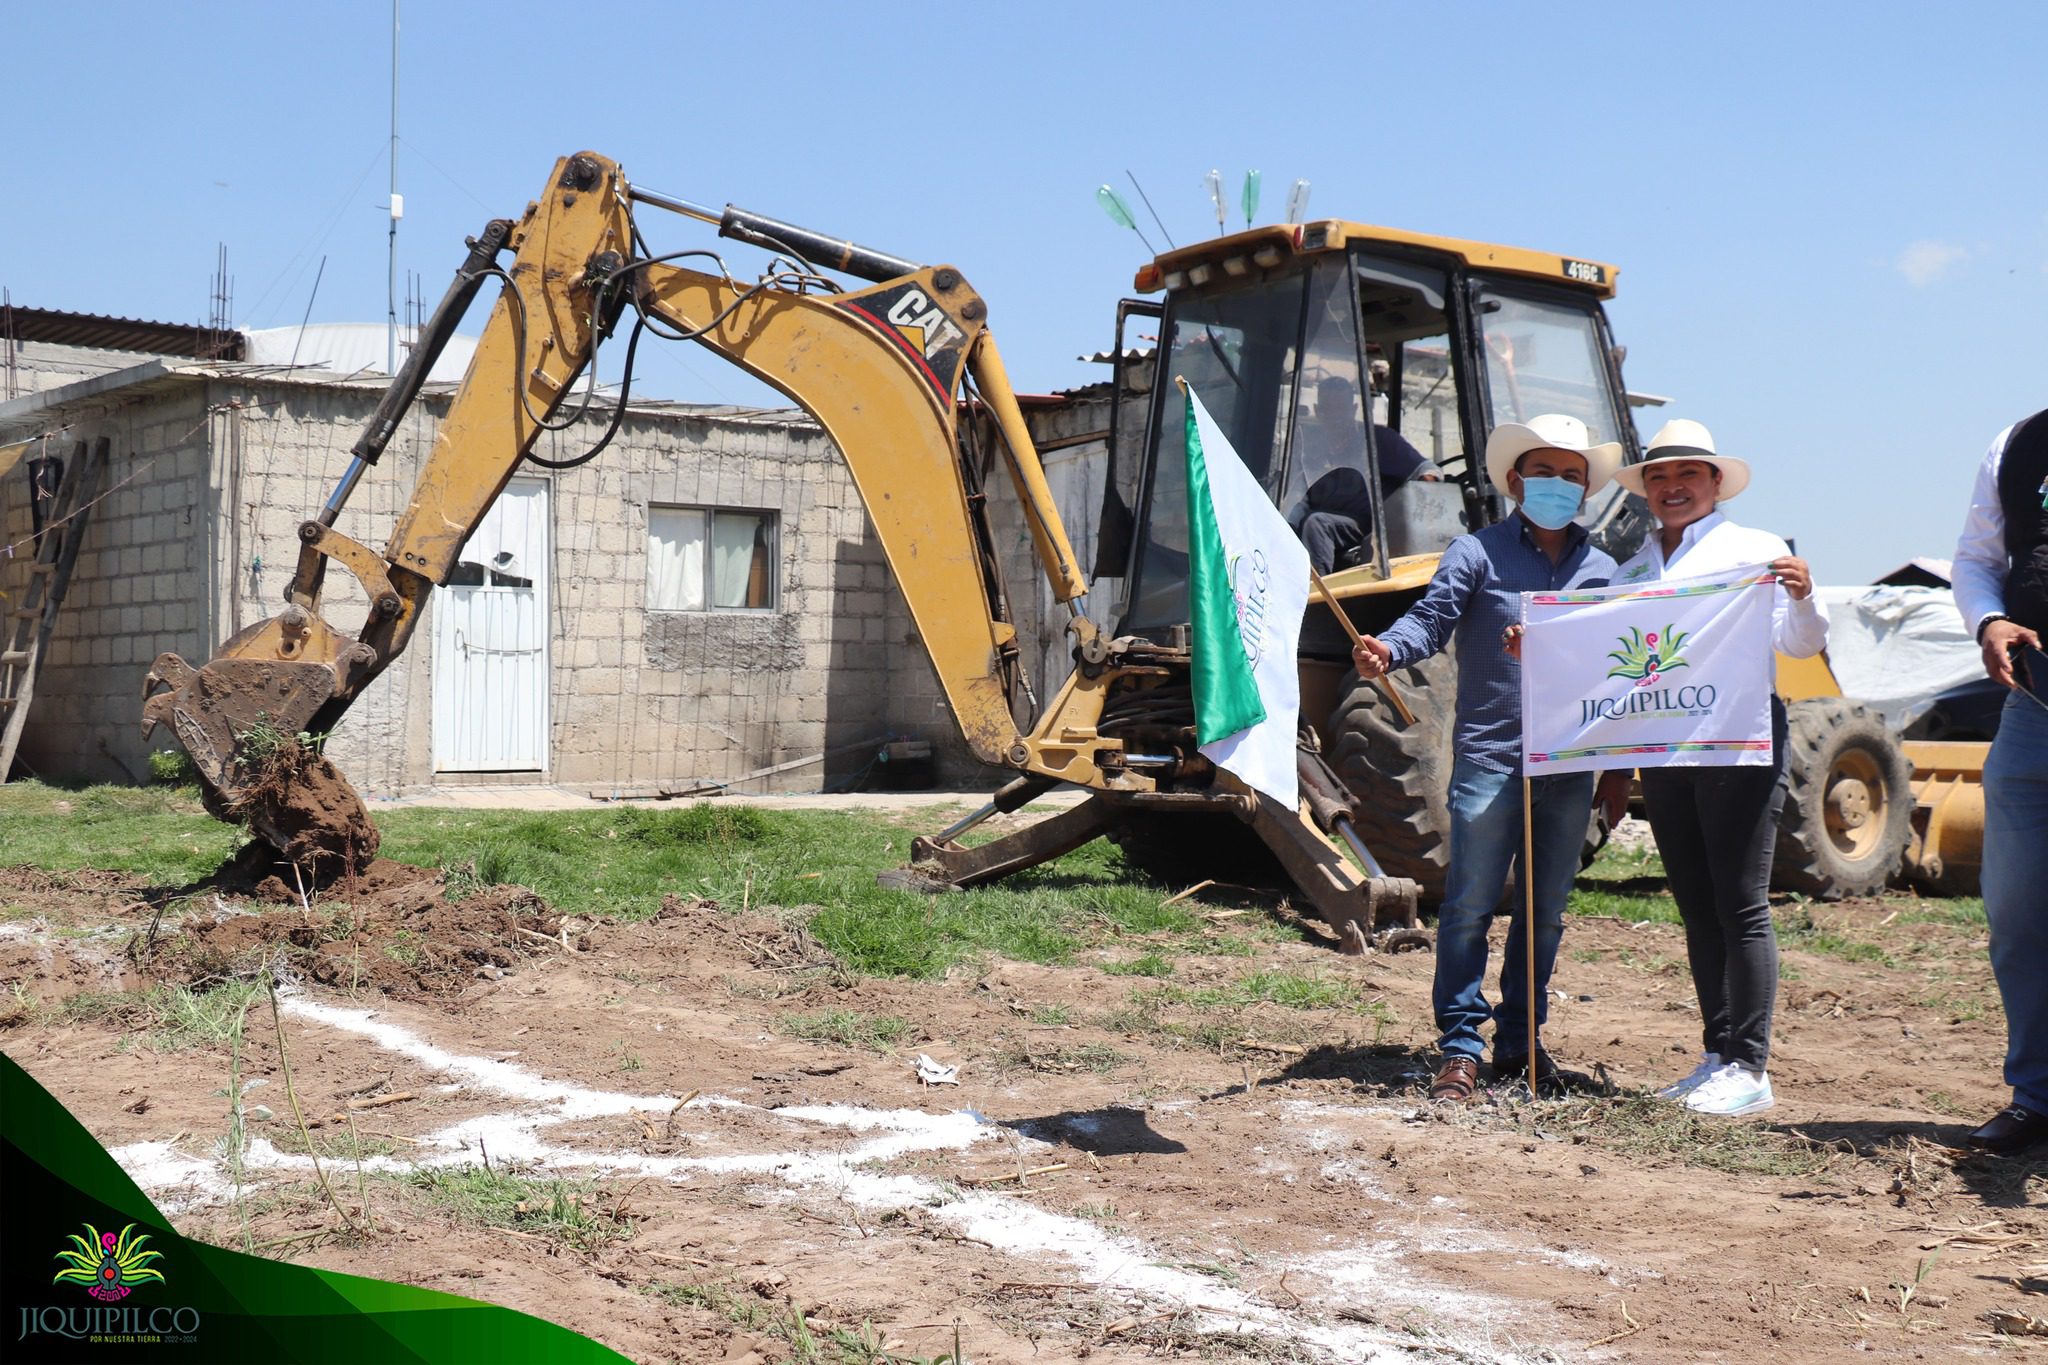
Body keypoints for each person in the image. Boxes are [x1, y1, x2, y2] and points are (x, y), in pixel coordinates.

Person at [1352, 413, 1625, 1103]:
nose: (1557, 485)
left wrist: (1622, 765)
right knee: (1470, 905)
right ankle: (1462, 1047)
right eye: (1543, 473)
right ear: (1513, 481)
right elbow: (1431, 617)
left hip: (1567, 766)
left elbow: (1623, 670)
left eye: (1571, 475)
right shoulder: (1473, 553)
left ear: (1587, 488)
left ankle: (1520, 1041)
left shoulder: (1606, 572)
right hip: (1490, 759)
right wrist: (1390, 647)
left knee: (1546, 912)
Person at [1605, 419, 1826, 1118]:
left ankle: (1749, 1064)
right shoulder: (1632, 568)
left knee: (1740, 900)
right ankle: (1716, 1053)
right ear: (1644, 490)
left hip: (1739, 737)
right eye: (1659, 478)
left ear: (1715, 483)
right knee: (1697, 903)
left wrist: (1801, 594)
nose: (1672, 488)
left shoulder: (1754, 549)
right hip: (1668, 743)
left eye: (1687, 476)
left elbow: (1798, 642)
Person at [1951, 406, 2048, 1154]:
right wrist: (1988, 619)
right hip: (2033, 707)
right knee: (2016, 908)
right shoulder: (2021, 442)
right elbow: (1979, 559)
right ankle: (2037, 1096)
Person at [1289, 375, 1441, 574]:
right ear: (1318, 411)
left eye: (1340, 409)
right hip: (1324, 521)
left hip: (1367, 524)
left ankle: (1317, 595)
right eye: (1327, 409)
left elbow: (1426, 469)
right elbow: (1300, 497)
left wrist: (1427, 482)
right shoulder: (1312, 449)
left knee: (1316, 523)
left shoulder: (1379, 440)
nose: (1334, 416)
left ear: (1352, 410)